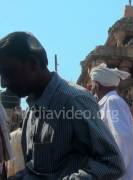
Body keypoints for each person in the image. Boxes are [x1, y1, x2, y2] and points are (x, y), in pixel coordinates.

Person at [0, 32, 125, 179]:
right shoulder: (31, 112)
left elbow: (112, 164)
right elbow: (37, 170)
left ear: (33, 64)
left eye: (7, 73)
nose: (3, 83)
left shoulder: (75, 101)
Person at [90, 63, 133, 180]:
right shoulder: (107, 102)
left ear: (97, 85)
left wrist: (111, 171)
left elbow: (123, 138)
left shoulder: (112, 101)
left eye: (92, 84)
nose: (91, 88)